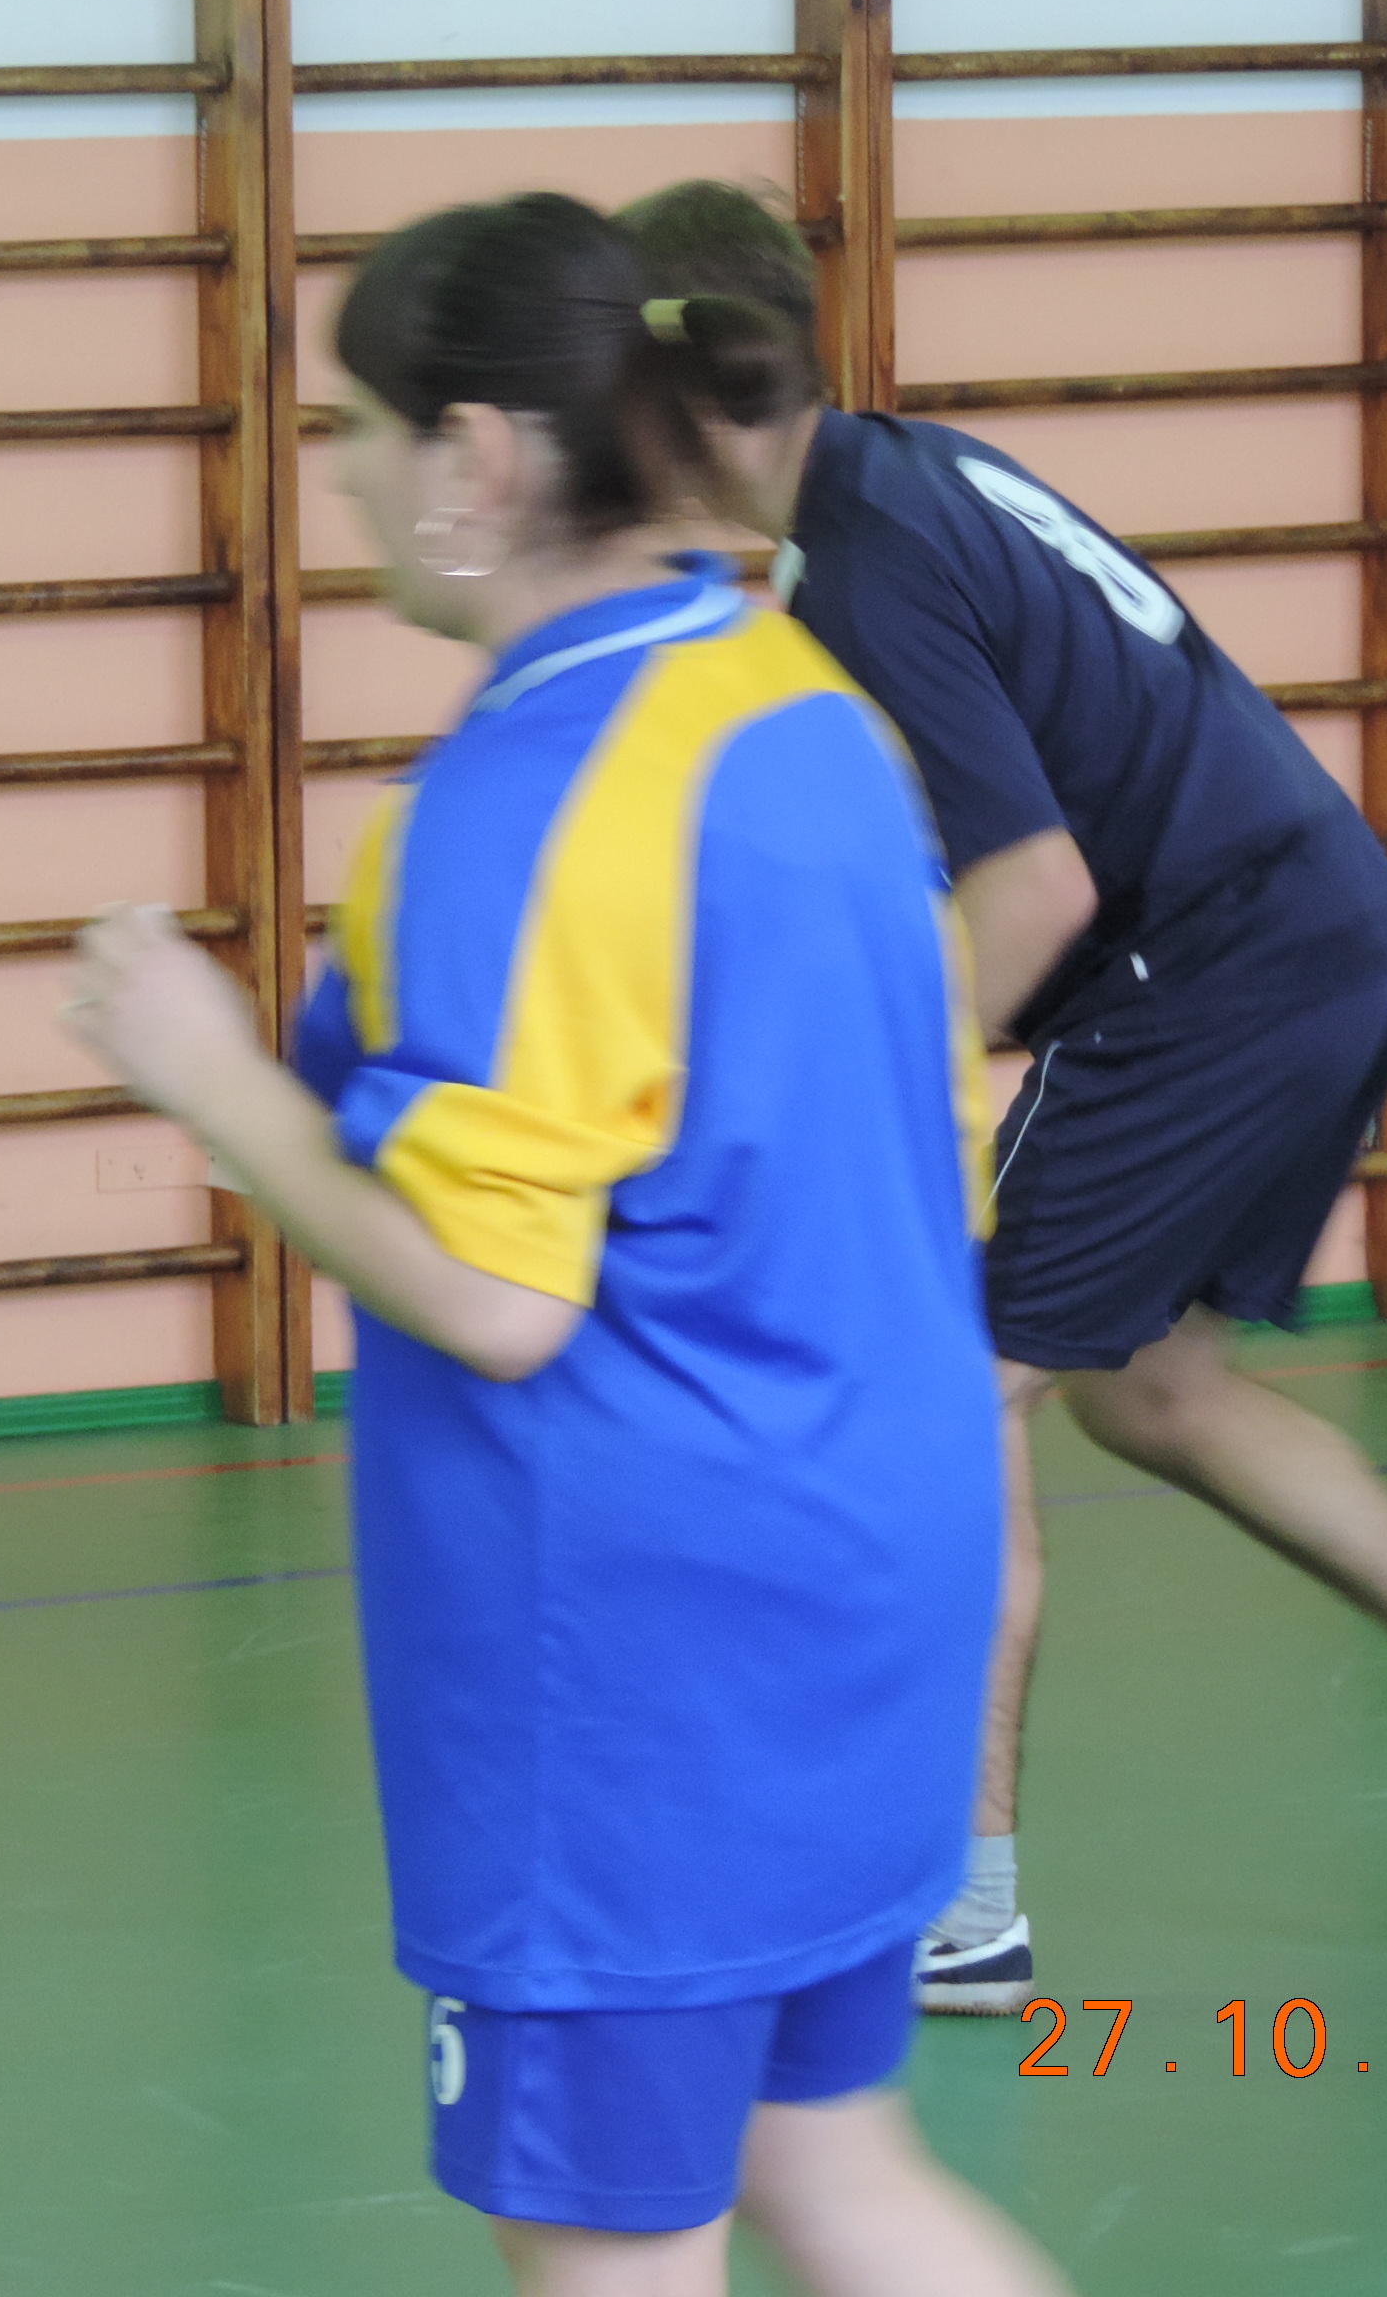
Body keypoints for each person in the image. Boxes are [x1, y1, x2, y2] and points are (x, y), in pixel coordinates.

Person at [65, 192, 1072, 2297]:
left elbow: (499, 1300)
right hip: (876, 1568)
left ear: (478, 456)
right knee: (836, 2172)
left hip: (643, 1653)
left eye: (357, 427)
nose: (342, 475)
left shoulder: (525, 800)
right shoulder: (801, 705)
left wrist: (215, 1082)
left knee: (617, 2251)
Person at [618, 179, 1387, 2011]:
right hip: (1328, 931)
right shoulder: (902, 473)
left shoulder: (861, 569)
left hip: (1220, 970)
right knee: (1149, 1390)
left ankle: (965, 1907)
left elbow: (1037, 890)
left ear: (679, 404)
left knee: (951, 1381)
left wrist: (854, 1105)